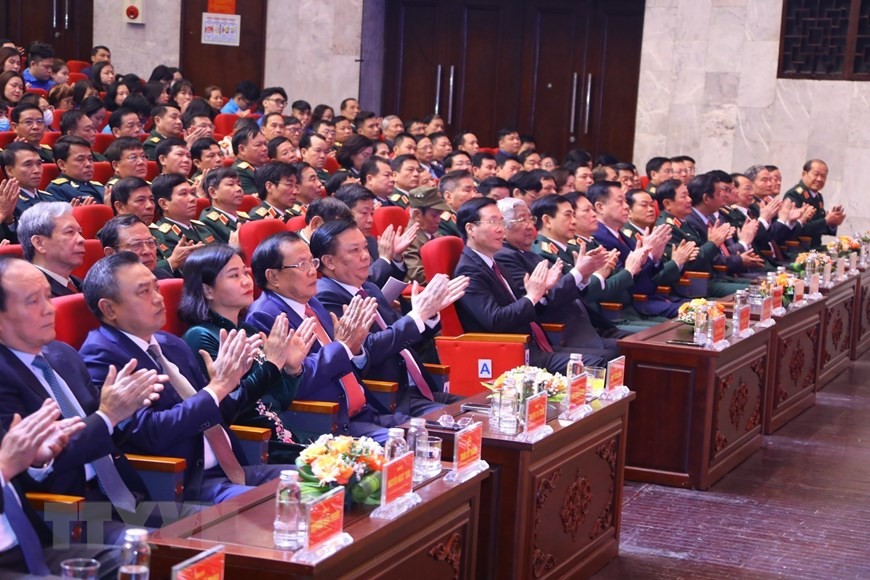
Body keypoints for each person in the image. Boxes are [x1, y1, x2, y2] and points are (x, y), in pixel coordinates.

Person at [79, 252, 292, 505]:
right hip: (182, 486)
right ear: (109, 308)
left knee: (326, 482)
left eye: (157, 288)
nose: (158, 299)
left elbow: (220, 412)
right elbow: (152, 434)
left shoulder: (171, 344)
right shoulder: (101, 356)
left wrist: (231, 381)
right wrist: (217, 388)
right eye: (144, 292)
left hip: (233, 469)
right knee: (286, 506)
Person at [0, 256, 166, 547]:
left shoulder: (63, 354)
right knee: (156, 551)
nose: (49, 309)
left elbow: (106, 432)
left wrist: (128, 408)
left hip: (125, 497)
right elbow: (30, 468)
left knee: (213, 532)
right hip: (65, 513)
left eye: (48, 297)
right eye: (32, 302)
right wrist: (108, 416)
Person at [246, 231, 412, 444]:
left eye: (312, 262)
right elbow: (295, 385)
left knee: (437, 430)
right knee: (410, 446)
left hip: (365, 412)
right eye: (302, 265)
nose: (313, 271)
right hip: (328, 424)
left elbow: (344, 362)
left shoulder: (312, 303)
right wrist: (343, 346)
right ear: (273, 277)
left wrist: (355, 349)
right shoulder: (265, 317)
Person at [312, 219, 467, 415]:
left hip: (420, 389)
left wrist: (428, 315)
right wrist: (416, 316)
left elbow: (403, 340)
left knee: (485, 407)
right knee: (472, 423)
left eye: (366, 248)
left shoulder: (369, 288)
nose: (366, 256)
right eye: (354, 251)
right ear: (329, 261)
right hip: (389, 399)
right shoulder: (325, 297)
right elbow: (366, 350)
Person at [180, 244, 316, 462]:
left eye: (245, 272)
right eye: (234, 276)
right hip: (252, 446)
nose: (246, 281)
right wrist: (271, 365)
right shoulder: (201, 336)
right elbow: (235, 408)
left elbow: (277, 401)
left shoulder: (247, 330)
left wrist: (291, 369)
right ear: (208, 290)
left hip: (281, 436)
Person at [453, 197, 576, 373]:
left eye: (501, 221)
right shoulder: (469, 270)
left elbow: (523, 310)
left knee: (608, 356)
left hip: (532, 347)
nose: (500, 228)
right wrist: (532, 296)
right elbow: (495, 321)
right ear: (471, 228)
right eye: (492, 222)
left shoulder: (496, 264)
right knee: (598, 363)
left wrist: (542, 292)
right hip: (505, 356)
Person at [494, 197, 618, 359]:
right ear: (503, 225)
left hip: (585, 329)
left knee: (632, 348)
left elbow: (561, 290)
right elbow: (541, 303)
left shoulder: (528, 254)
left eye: (530, 219)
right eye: (522, 220)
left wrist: (584, 276)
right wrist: (578, 272)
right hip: (558, 334)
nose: (530, 226)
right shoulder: (505, 256)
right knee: (618, 355)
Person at [333, 183, 416, 288]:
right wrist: (384, 259)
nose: (370, 220)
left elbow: (388, 280)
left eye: (372, 213)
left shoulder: (370, 240)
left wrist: (396, 257)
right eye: (364, 213)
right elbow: (363, 284)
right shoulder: (336, 246)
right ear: (344, 214)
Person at [18, 202, 85, 297]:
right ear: (39, 243)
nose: (81, 240)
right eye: (70, 232)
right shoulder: (30, 295)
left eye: (80, 233)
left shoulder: (82, 284)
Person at [783, 159, 846, 249]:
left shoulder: (818, 197)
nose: (819, 179)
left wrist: (832, 223)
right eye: (816, 174)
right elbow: (797, 229)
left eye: (823, 176)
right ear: (804, 174)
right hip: (799, 249)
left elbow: (819, 227)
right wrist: (826, 221)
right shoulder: (794, 194)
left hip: (815, 247)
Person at [149, 173, 213, 256]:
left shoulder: (201, 227)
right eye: (183, 194)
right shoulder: (161, 235)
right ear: (164, 204)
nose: (193, 198)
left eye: (192, 193)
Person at [97, 214, 176, 280]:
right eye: (136, 245)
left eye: (150, 242)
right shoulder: (106, 290)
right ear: (111, 253)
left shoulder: (163, 277)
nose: (147, 251)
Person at [2, 142, 54, 221]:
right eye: (28, 164)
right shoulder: (4, 203)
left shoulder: (50, 198)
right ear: (9, 170)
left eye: (39, 163)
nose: (37, 170)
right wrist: (8, 219)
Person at [46, 136, 104, 203]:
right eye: (80, 159)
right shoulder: (57, 189)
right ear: (62, 165)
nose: (88, 164)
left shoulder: (98, 186)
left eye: (90, 159)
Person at [198, 168, 249, 244]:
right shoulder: (207, 222)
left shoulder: (243, 218)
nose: (239, 189)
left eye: (239, 184)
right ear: (213, 192)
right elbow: (215, 254)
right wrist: (234, 248)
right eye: (231, 184)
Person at [438, 170, 480, 237]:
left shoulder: (473, 216)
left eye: (474, 190)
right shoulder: (442, 223)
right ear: (448, 197)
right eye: (467, 190)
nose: (474, 195)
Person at [231, 124, 269, 194]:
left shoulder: (267, 166)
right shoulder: (239, 171)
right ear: (242, 149)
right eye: (258, 145)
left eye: (265, 144)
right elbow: (255, 199)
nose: (265, 148)